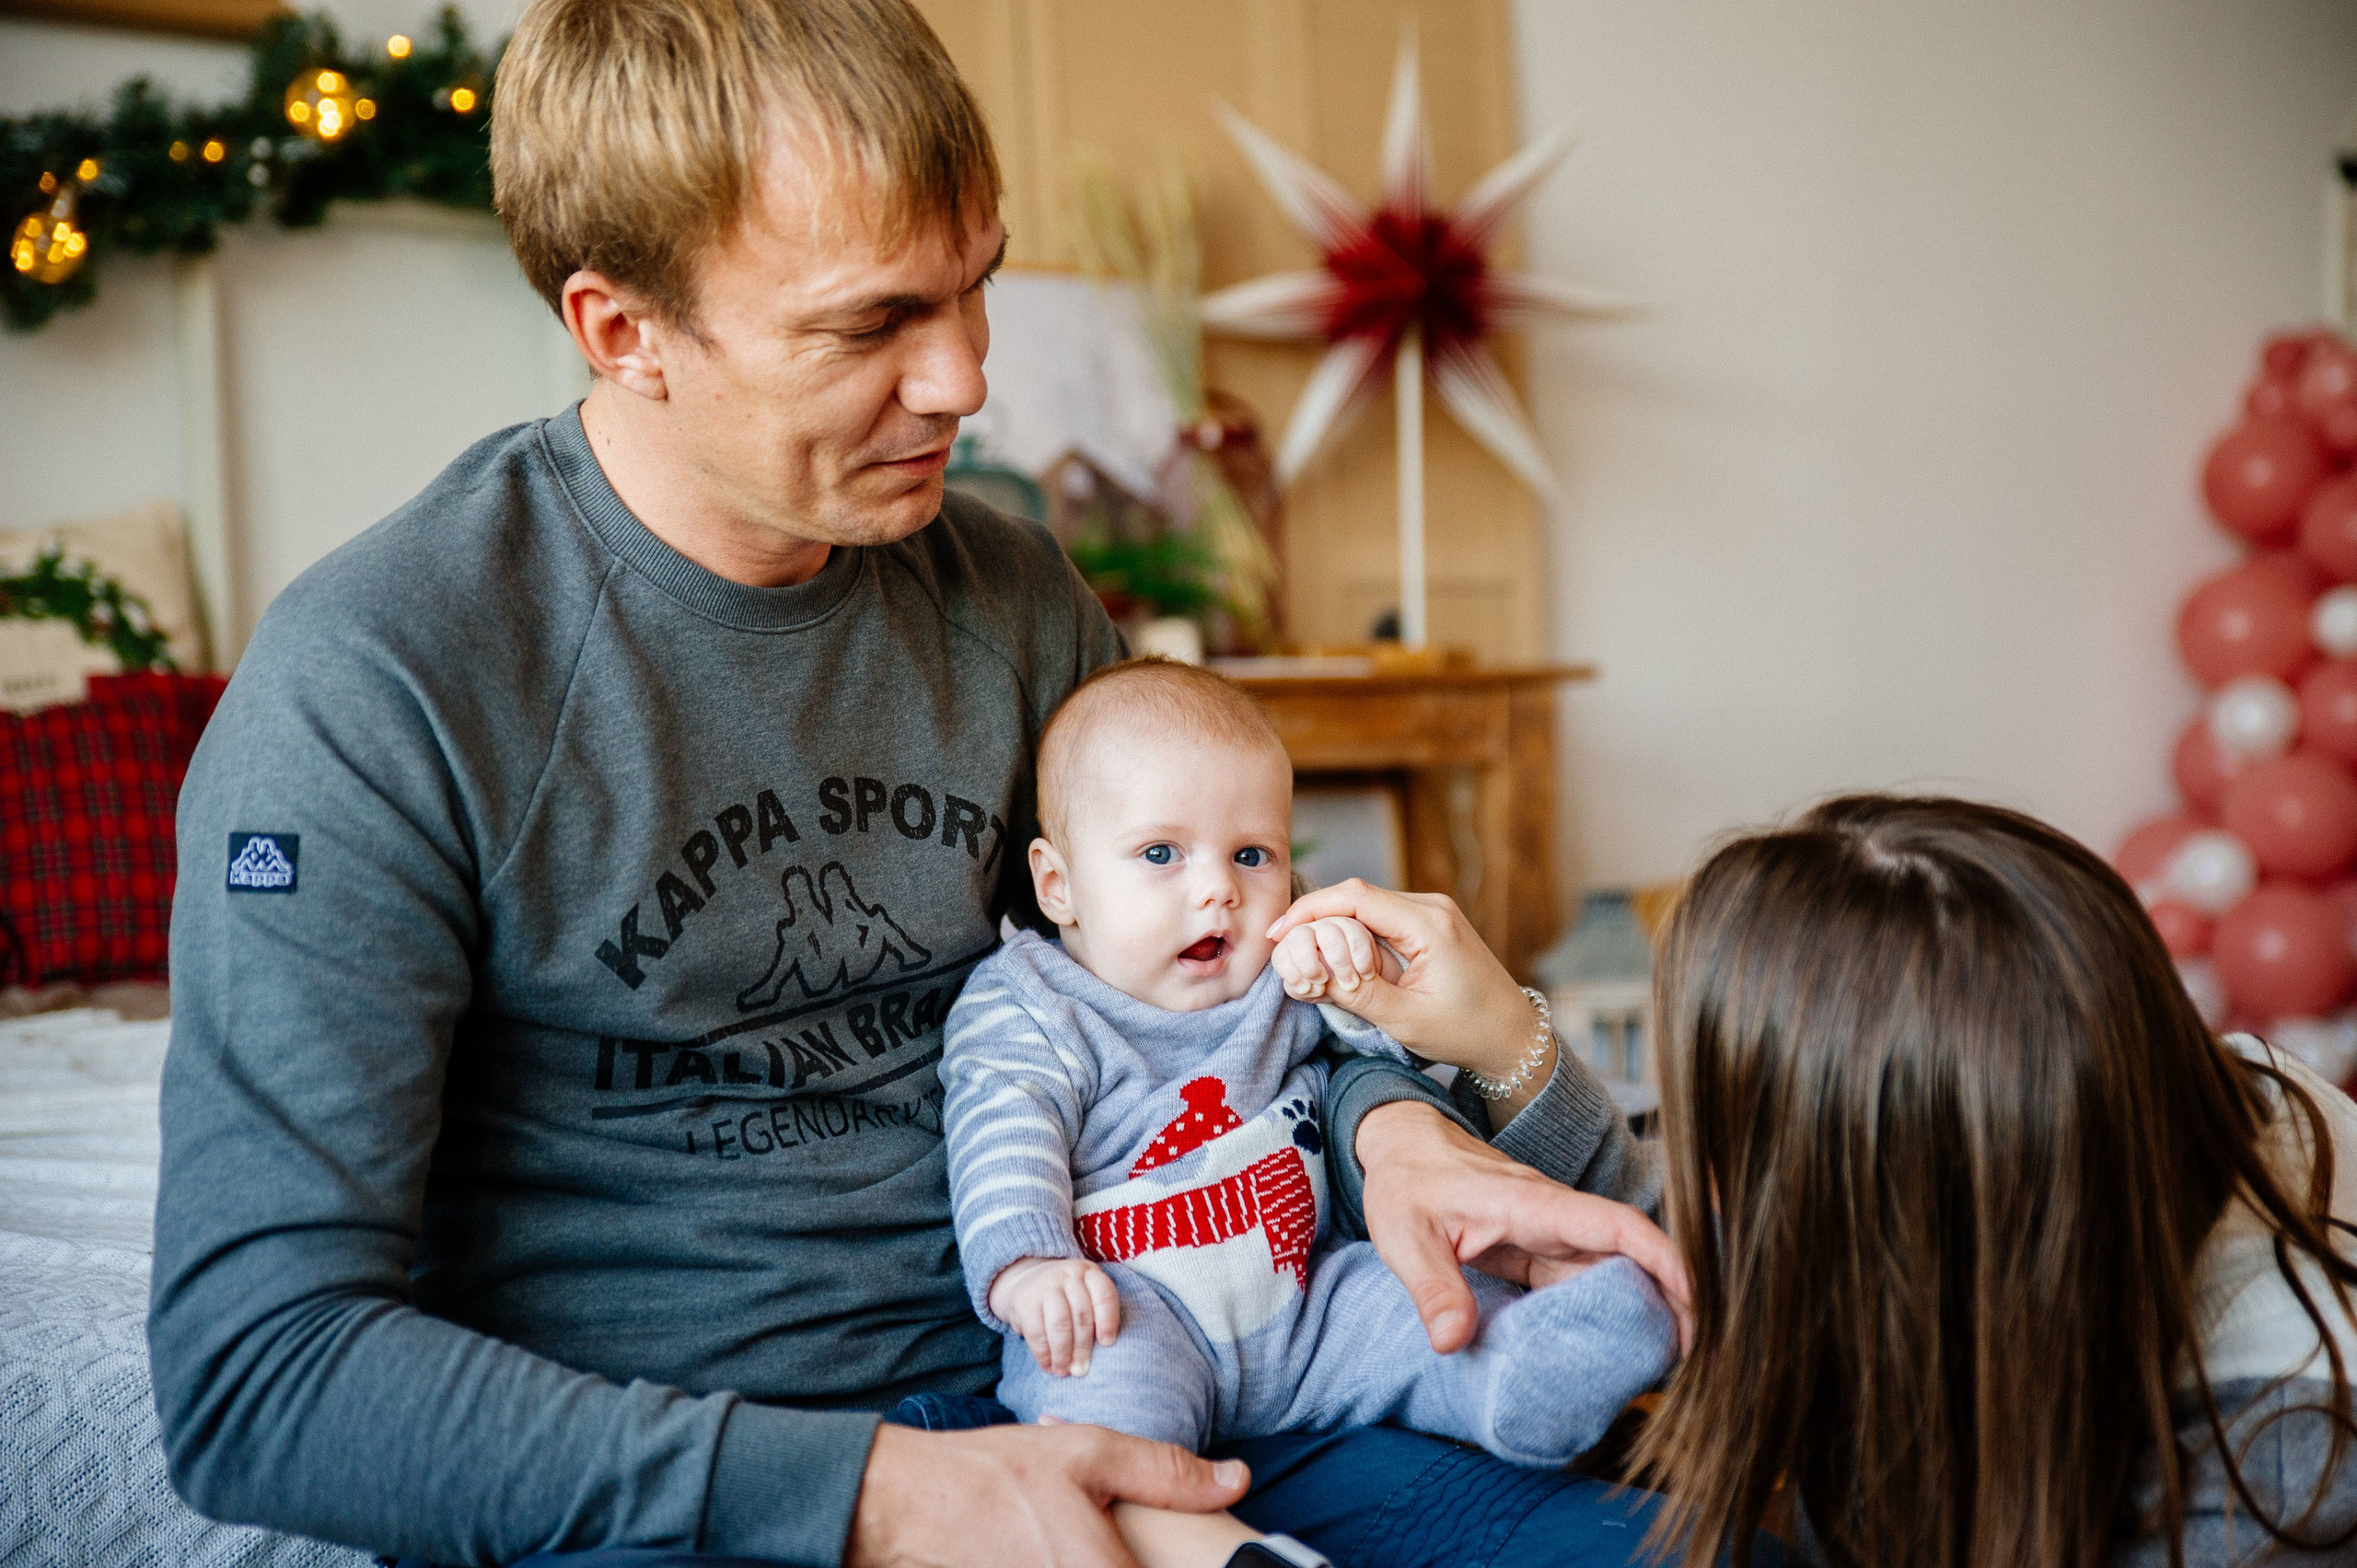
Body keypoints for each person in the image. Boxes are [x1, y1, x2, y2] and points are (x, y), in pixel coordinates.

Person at [147, 2, 1683, 1564]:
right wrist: (890, 1495)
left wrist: (1383, 1128)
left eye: (975, 286)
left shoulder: (1005, 593)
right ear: (624, 331)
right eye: (868, 324)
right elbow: (259, 1378)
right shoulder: (379, 675)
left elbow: (1188, 977)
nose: (962, 379)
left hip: (1161, 1384)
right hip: (712, 1492)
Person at [944, 660, 1676, 1462]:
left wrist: (1357, 975)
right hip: (1136, 1308)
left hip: (1311, 1292)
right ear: (1058, 885)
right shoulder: (1032, 1003)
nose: (1218, 888)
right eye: (1161, 853)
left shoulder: (1280, 966)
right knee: (1096, 1395)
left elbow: (1391, 1059)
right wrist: (1028, 1265)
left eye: (1252, 855)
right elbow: (999, 1133)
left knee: (1436, 1316)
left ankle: (1539, 1364)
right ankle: (1138, 1508)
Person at [1626, 795, 2357, 1568]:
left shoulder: (2277, 1484)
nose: (1708, 1187)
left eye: (1728, 1153)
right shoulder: (2179, 1099)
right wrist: (1519, 1052)